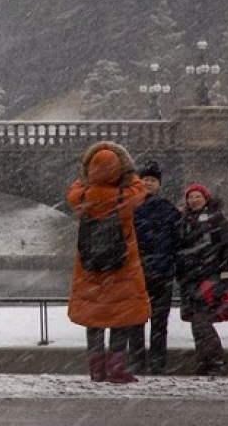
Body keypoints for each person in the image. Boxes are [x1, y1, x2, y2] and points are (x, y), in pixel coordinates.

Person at [66, 141, 149, 384]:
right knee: (119, 318)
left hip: (90, 268)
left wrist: (89, 170)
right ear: (120, 170)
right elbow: (139, 187)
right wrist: (125, 165)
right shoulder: (125, 196)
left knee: (94, 321)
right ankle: (116, 369)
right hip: (120, 266)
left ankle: (97, 370)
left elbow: (74, 188)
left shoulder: (83, 196)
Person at [175, 182, 228, 376]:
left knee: (202, 321)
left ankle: (216, 361)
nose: (194, 200)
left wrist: (226, 272)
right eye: (190, 197)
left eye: (197, 197)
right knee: (196, 322)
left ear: (205, 198)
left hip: (208, 278)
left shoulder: (216, 220)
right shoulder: (183, 220)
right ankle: (205, 361)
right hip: (189, 278)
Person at [127, 160, 179, 374]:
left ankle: (157, 364)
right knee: (136, 321)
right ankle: (137, 363)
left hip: (161, 272)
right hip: (137, 273)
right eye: (145, 179)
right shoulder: (130, 205)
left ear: (159, 185)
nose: (149, 183)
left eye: (153, 180)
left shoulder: (168, 208)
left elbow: (177, 239)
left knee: (159, 322)